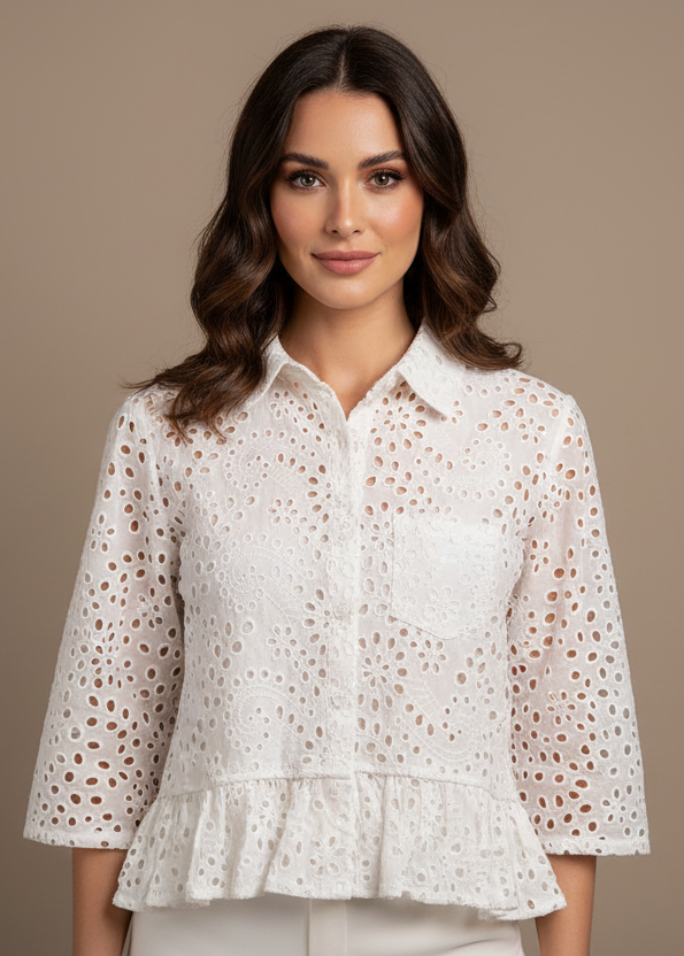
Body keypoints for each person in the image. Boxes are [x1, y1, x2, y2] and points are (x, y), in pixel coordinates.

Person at [24, 24, 649, 956]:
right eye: (305, 177)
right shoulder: (165, 432)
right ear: (261, 198)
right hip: (208, 935)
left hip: (450, 938)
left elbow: (572, 761)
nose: (344, 218)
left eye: (384, 176)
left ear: (431, 191)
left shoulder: (532, 432)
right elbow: (107, 744)